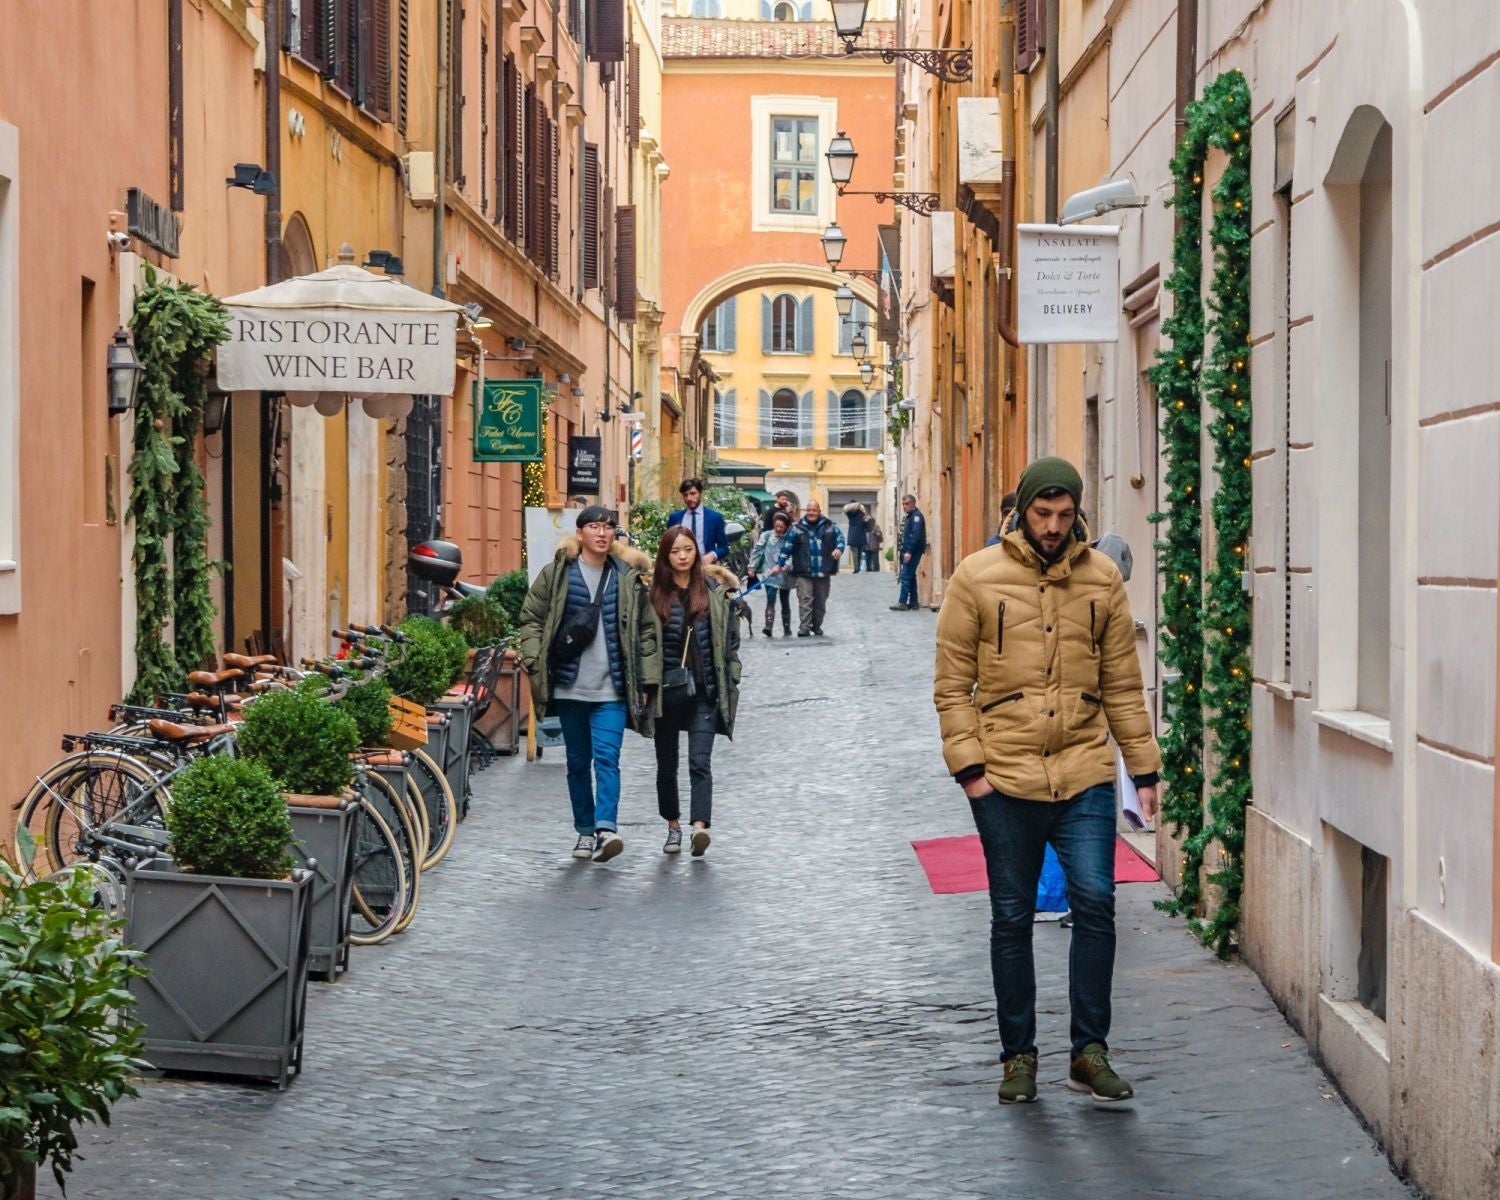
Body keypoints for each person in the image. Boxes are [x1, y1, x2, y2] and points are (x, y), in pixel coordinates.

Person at [933, 456, 1162, 1107]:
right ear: (1024, 511)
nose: (1054, 526)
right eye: (1043, 514)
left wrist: (1142, 769)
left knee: (1095, 900)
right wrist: (969, 768)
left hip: (1084, 770)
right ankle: (1018, 1057)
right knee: (1011, 917)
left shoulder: (1103, 580)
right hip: (1003, 776)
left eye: (1064, 515)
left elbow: (1122, 683)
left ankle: (1088, 1052)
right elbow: (951, 685)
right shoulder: (977, 578)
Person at [516, 506, 660, 864]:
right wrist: (535, 659)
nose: (601, 533)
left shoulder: (627, 578)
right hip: (568, 687)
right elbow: (530, 618)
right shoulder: (558, 574)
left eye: (608, 527)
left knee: (607, 758)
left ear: (614, 535)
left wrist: (646, 678)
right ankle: (584, 830)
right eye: (594, 527)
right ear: (579, 534)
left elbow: (645, 630)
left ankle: (606, 828)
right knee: (578, 762)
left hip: (611, 689)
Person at [647, 526, 742, 856]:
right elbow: (644, 643)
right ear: (666, 556)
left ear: (696, 552)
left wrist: (732, 677)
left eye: (688, 549)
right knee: (666, 764)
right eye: (675, 551)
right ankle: (672, 826)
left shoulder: (715, 592)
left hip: (704, 690)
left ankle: (699, 828)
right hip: (667, 692)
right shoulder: (654, 594)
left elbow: (730, 642)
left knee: (700, 761)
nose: (682, 556)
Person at [771, 498, 844, 637]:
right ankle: (804, 627)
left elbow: (840, 539)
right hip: (803, 570)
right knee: (805, 599)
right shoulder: (796, 528)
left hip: (823, 570)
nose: (811, 513)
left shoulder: (830, 527)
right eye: (809, 510)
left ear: (819, 511)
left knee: (820, 601)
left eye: (814, 510)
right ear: (806, 511)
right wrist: (778, 564)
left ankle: (816, 626)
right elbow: (787, 548)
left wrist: (839, 550)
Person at [748, 509, 794, 637]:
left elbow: (792, 555)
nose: (778, 529)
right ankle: (768, 627)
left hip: (785, 576)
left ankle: (787, 628)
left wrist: (785, 567)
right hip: (769, 575)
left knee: (785, 601)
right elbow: (757, 551)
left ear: (786, 526)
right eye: (776, 526)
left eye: (781, 526)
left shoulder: (790, 539)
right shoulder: (767, 536)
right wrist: (752, 567)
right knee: (770, 600)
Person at [668, 478, 729, 564]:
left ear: (700, 493)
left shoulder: (714, 518)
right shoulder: (675, 518)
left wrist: (712, 555)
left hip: (705, 568)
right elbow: (667, 545)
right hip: (681, 566)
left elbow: (724, 548)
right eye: (685, 495)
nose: (689, 498)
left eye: (693, 493)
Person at [891, 493, 927, 610]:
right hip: (908, 551)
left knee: (905, 576)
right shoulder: (909, 517)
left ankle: (902, 602)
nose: (904, 506)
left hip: (913, 552)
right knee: (911, 577)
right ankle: (913, 602)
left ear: (913, 504)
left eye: (907, 504)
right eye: (903, 504)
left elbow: (915, 536)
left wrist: (909, 551)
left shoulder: (916, 517)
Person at [845, 503, 869, 573]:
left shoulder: (850, 515)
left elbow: (846, 510)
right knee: (859, 554)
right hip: (861, 536)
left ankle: (856, 568)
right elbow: (866, 525)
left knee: (855, 554)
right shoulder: (862, 515)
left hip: (853, 536)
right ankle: (857, 568)